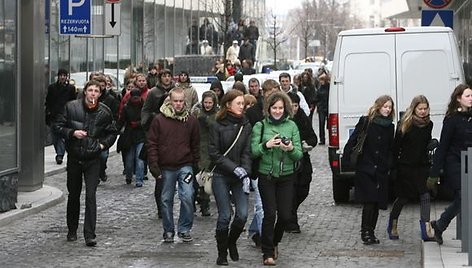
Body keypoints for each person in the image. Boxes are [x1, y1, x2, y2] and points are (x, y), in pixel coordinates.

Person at [53, 80, 118, 247]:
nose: (93, 93)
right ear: (85, 92)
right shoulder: (71, 107)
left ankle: (90, 234)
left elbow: (112, 132)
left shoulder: (105, 112)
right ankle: (72, 229)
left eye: (96, 91)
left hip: (93, 159)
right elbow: (57, 126)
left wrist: (103, 145)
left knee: (91, 196)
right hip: (75, 158)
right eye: (90, 90)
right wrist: (73, 133)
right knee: (74, 195)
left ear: (100, 94)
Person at [251, 91, 303, 265]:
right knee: (269, 214)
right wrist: (266, 145)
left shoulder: (292, 126)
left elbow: (298, 154)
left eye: (281, 108)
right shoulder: (260, 126)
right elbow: (253, 151)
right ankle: (267, 252)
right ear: (269, 108)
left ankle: (274, 242)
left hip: (286, 176)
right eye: (274, 108)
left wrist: (289, 149)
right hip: (266, 175)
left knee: (286, 215)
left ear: (286, 108)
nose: (278, 111)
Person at [147, 88, 200, 243]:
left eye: (181, 101)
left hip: (185, 164)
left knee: (188, 196)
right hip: (165, 166)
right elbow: (152, 144)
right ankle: (168, 230)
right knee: (165, 199)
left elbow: (195, 144)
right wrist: (154, 165)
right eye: (175, 101)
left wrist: (196, 164)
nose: (178, 104)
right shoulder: (159, 120)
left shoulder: (191, 120)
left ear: (185, 101)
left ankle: (184, 229)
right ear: (170, 101)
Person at [342, 95, 395, 245]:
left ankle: (371, 231)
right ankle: (365, 232)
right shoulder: (366, 121)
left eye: (389, 107)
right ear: (378, 107)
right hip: (366, 167)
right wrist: (346, 159)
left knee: (377, 202)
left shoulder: (390, 126)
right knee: (369, 201)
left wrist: (390, 165)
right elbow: (353, 140)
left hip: (381, 169)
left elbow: (390, 148)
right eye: (385, 106)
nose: (387, 109)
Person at [208, 90, 252, 265]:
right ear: (228, 104)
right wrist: (235, 169)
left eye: (243, 103)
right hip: (221, 175)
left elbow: (247, 152)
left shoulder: (246, 125)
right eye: (238, 103)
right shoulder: (217, 124)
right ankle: (222, 253)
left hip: (239, 176)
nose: (242, 107)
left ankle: (231, 241)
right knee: (225, 215)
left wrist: (245, 172)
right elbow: (214, 153)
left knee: (242, 215)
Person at [387, 95, 434, 241]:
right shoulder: (405, 124)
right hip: (406, 167)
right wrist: (393, 167)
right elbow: (396, 148)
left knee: (425, 196)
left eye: (425, 109)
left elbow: (425, 144)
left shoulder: (429, 124)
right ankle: (393, 224)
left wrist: (431, 144)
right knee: (403, 198)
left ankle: (425, 229)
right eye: (420, 109)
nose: (423, 112)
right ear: (414, 108)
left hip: (422, 166)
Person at [430, 84, 472, 245]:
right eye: (467, 96)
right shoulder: (452, 119)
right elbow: (443, 146)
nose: (471, 99)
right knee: (463, 196)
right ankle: (440, 225)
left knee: (465, 199)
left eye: (471, 95)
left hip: (470, 162)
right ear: (458, 99)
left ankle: (440, 225)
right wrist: (434, 173)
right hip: (454, 163)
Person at [285, 93, 318, 233]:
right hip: (287, 160)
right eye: (291, 105)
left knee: (303, 189)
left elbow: (313, 137)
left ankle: (290, 212)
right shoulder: (283, 121)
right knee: (290, 192)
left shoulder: (303, 118)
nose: (294, 108)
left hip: (303, 159)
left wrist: (307, 143)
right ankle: (291, 222)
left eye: (296, 105)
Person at [191, 90, 219, 217]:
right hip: (197, 147)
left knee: (207, 179)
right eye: (205, 102)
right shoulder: (196, 113)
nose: (207, 105)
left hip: (210, 149)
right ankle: (192, 202)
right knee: (195, 178)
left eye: (210, 102)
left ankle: (205, 204)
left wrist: (207, 120)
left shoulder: (218, 115)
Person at [45, 68, 77, 165]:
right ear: (58, 77)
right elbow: (48, 101)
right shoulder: (52, 87)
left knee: (62, 135)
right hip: (54, 114)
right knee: (55, 136)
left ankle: (60, 155)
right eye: (61, 75)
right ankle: (59, 152)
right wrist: (48, 112)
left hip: (65, 115)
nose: (62, 77)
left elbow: (73, 101)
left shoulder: (70, 88)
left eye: (64, 75)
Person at [117, 88, 146, 187]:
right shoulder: (126, 107)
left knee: (139, 159)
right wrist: (115, 131)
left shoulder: (144, 107)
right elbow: (121, 121)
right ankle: (129, 176)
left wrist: (138, 124)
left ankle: (139, 179)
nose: (135, 99)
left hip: (141, 136)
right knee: (129, 160)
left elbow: (147, 120)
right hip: (129, 136)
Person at [314, 73, 330, 145]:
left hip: (328, 107)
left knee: (330, 124)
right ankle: (322, 139)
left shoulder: (329, 87)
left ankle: (330, 137)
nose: (321, 82)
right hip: (321, 108)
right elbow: (317, 97)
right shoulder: (320, 88)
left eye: (322, 80)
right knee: (321, 123)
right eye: (320, 80)